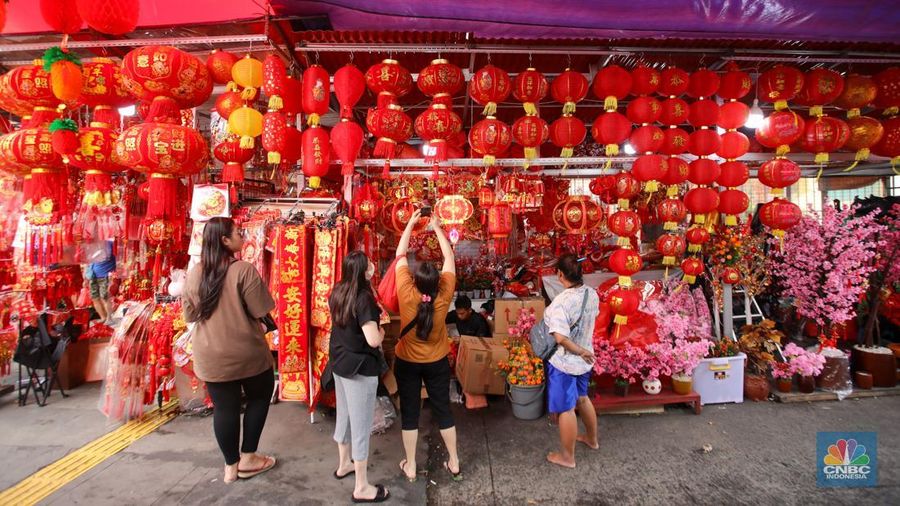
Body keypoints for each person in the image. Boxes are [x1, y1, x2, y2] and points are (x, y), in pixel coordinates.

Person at [182, 217, 277, 484]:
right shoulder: (243, 270)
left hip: (210, 355)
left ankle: (230, 467)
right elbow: (261, 310)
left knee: (225, 408)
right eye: (237, 232)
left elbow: (189, 315)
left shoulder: (195, 273)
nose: (242, 235)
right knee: (259, 396)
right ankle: (248, 457)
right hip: (246, 352)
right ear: (225, 241)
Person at [394, 209, 462, 482]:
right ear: (437, 282)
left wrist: (411, 224)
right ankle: (454, 461)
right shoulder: (444, 294)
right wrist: (436, 227)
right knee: (443, 408)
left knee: (410, 411)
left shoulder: (406, 292)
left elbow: (400, 255)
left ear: (415, 279)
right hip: (436, 361)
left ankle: (410, 465)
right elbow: (449, 258)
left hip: (407, 363)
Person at [328, 251, 391, 503]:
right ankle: (362, 486)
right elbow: (373, 339)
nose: (374, 267)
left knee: (344, 416)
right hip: (359, 367)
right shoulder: (363, 298)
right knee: (361, 424)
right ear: (363, 270)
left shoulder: (338, 290)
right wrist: (383, 332)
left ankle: (344, 464)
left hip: (339, 362)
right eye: (370, 265)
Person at [544, 254, 600, 469]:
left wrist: (580, 351)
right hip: (585, 361)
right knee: (583, 398)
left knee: (566, 408)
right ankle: (592, 440)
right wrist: (585, 352)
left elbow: (560, 338)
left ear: (560, 274)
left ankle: (567, 457)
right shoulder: (591, 294)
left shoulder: (562, 302)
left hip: (565, 363)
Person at [87, 241, 116, 322]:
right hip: (92, 275)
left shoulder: (109, 244)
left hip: (105, 275)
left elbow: (116, 257)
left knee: (105, 297)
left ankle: (109, 318)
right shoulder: (92, 245)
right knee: (95, 298)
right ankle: (103, 317)